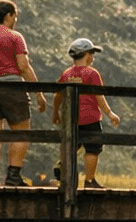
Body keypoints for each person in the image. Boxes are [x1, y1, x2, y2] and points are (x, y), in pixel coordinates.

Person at [0, 0, 47, 186]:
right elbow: (23, 67)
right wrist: (38, 93)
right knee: (21, 133)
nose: (15, 20)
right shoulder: (14, 37)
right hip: (12, 90)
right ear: (8, 16)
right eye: (15, 16)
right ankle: (13, 176)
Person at [51, 37, 122, 188]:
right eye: (92, 53)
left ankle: (62, 165)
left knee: (72, 145)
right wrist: (110, 113)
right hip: (90, 117)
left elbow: (57, 95)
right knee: (93, 147)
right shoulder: (92, 73)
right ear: (88, 55)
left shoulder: (67, 74)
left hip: (71, 118)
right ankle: (90, 180)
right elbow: (99, 96)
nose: (93, 57)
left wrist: (56, 113)